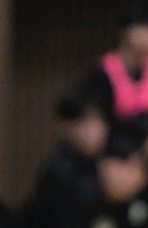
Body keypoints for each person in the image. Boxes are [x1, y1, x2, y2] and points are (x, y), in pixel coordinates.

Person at [23, 96, 107, 228]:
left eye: (95, 122)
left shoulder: (111, 159)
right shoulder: (59, 170)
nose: (91, 132)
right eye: (83, 123)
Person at [75, 16, 148, 123]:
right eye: (143, 30)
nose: (147, 38)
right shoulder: (105, 69)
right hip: (113, 128)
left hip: (147, 129)